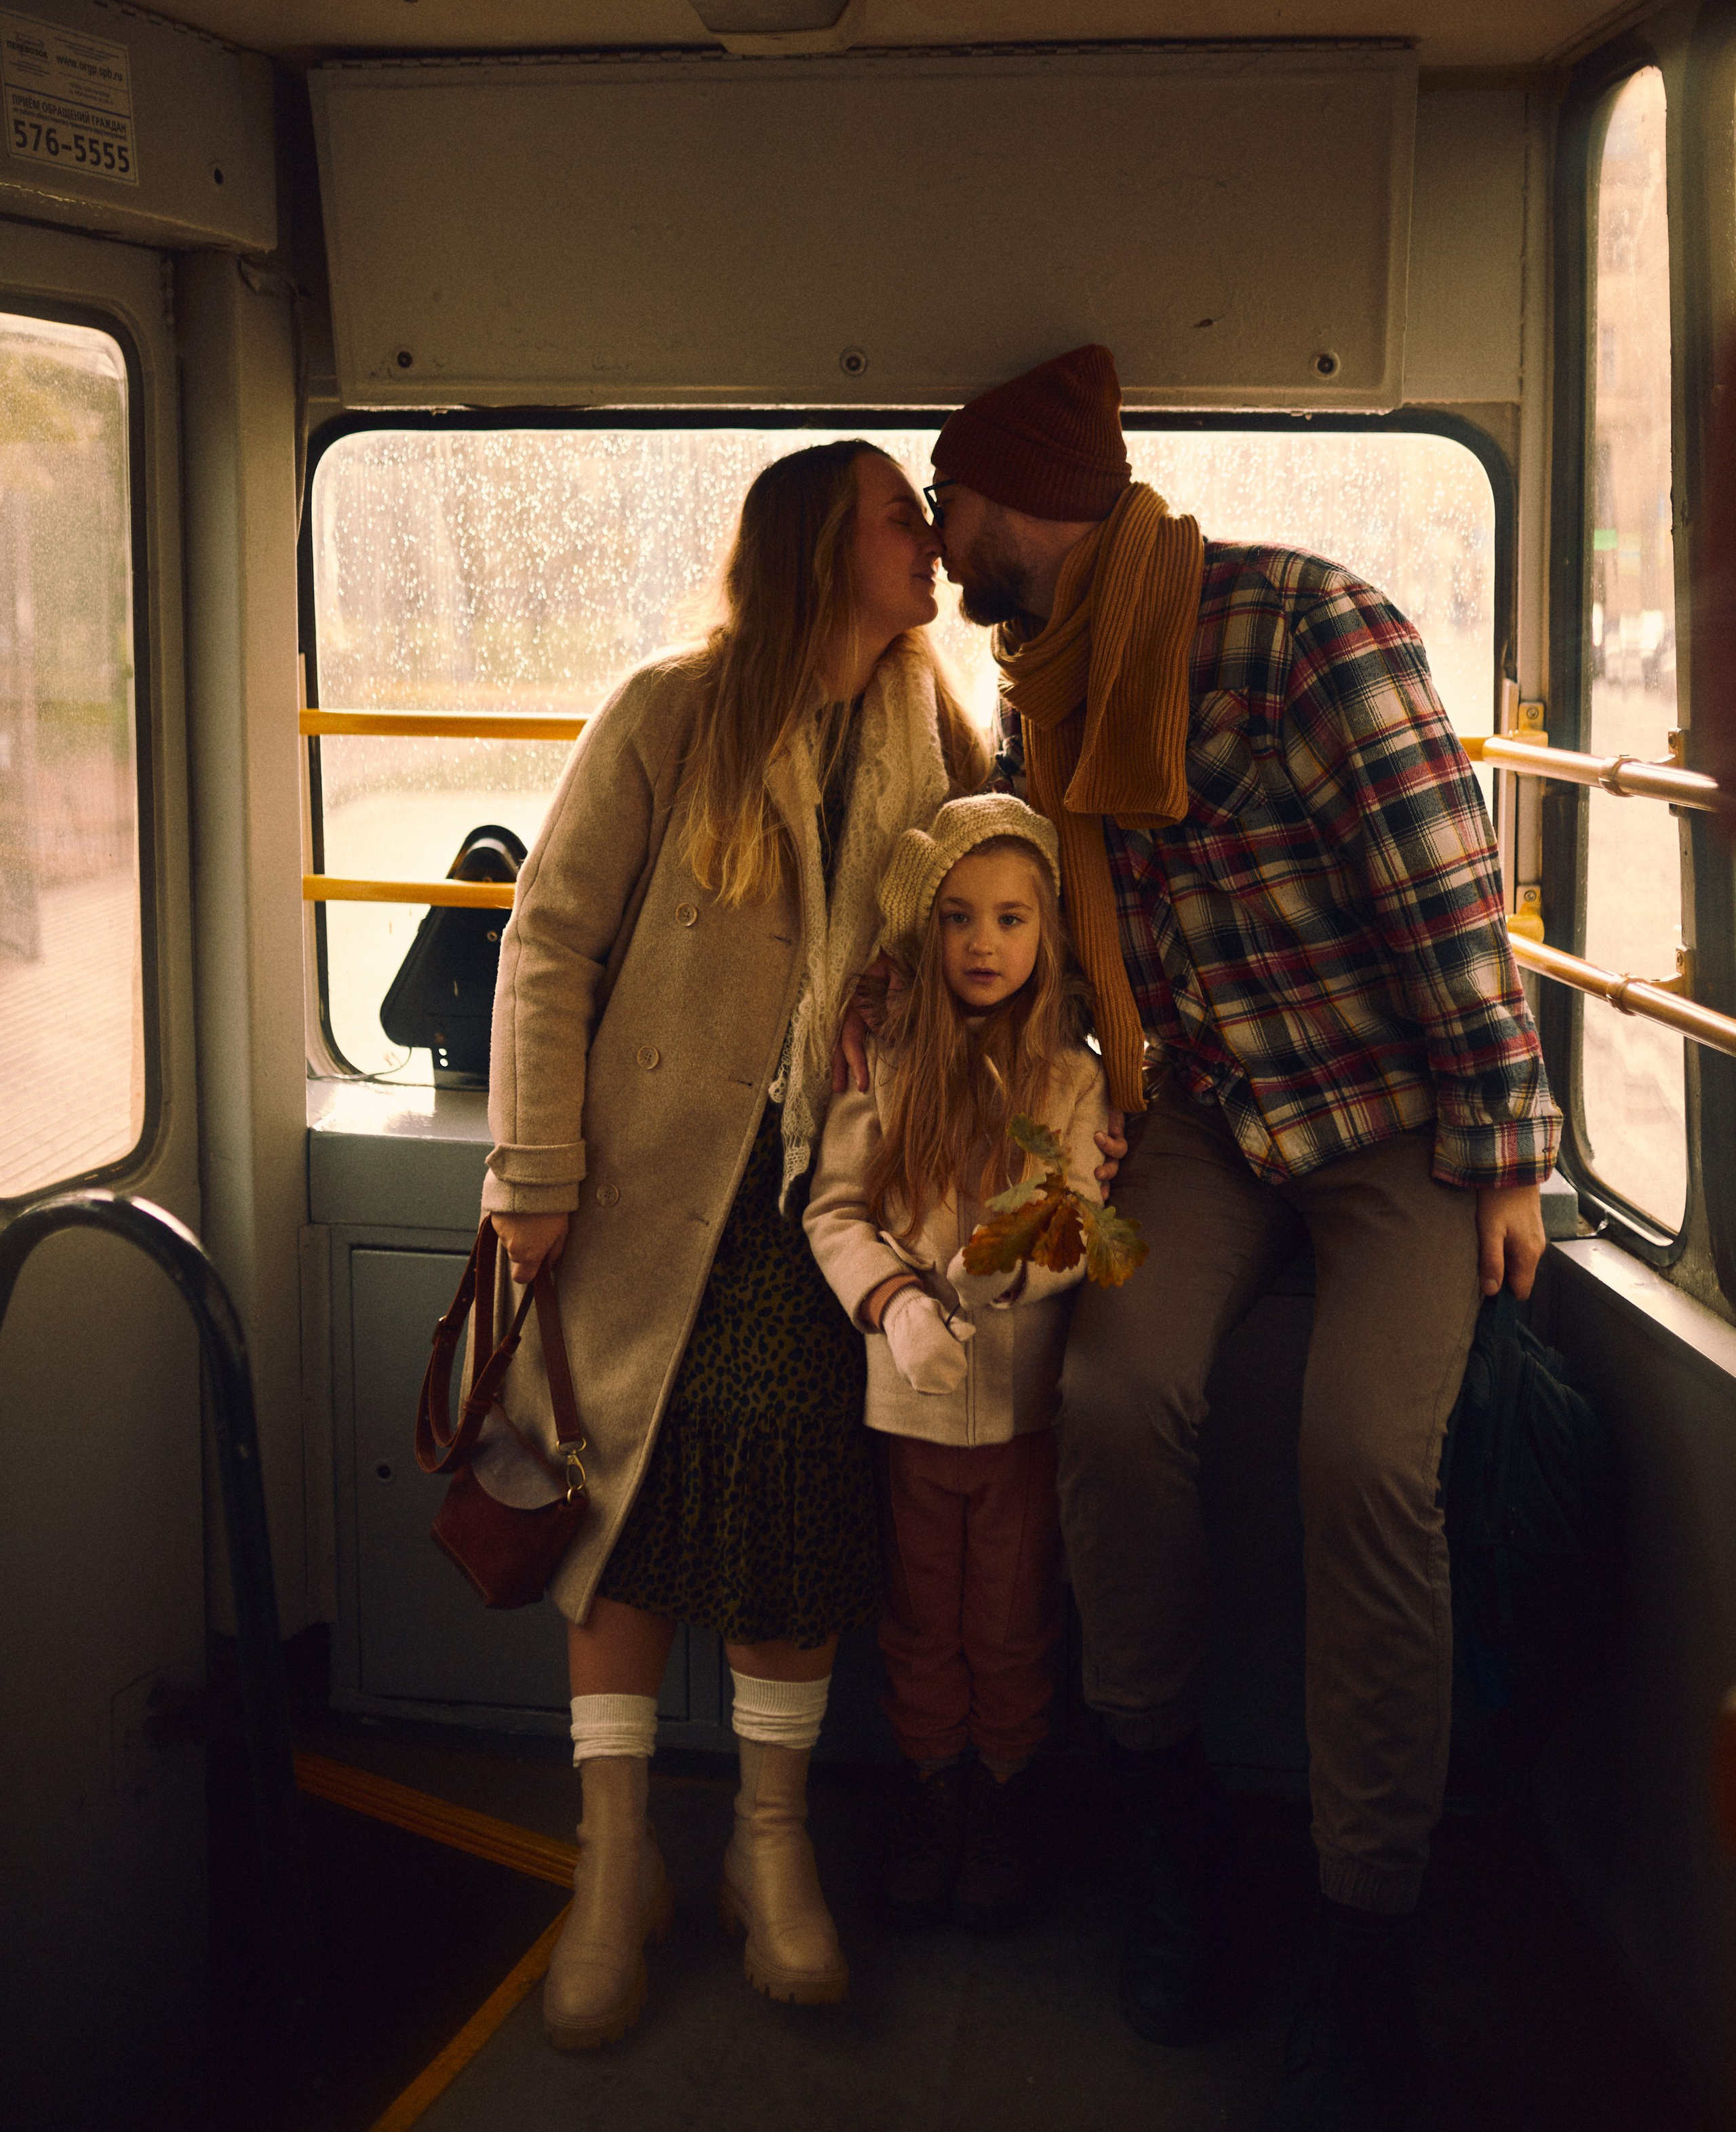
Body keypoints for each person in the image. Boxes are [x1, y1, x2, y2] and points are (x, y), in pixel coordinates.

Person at [924, 345, 1560, 2131]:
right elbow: (1041, 918)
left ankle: (1370, 1935)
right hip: (1195, 1119)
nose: (942, 537)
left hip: (1394, 1126)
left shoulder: (1304, 634)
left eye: (950, 500)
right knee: (1116, 1404)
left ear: (1020, 497)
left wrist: (1506, 1150)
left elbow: (1447, 907)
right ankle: (1169, 1823)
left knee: (1364, 1456)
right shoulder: (1039, 688)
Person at [478, 441, 984, 2051]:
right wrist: (531, 1174)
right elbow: (549, 939)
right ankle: (612, 1862)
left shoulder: (935, 720)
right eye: (902, 521)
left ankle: (770, 1847)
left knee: (785, 1481)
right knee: (608, 1506)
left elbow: (991, 914)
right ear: (819, 550)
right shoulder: (667, 714)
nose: (932, 545)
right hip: (637, 1191)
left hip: (823, 1199)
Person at [806, 795, 1109, 1932]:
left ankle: (1005, 1796)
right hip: (910, 1408)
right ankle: (936, 1793)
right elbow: (837, 1210)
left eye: (1014, 920)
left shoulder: (1072, 1082)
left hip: (1025, 1407)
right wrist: (893, 1304)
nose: (986, 945)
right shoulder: (885, 1062)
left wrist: (1007, 1265)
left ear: (1049, 936)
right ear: (924, 932)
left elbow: (1076, 1217)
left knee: (1015, 1614)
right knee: (922, 1613)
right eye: (962, 919)